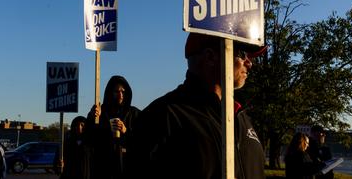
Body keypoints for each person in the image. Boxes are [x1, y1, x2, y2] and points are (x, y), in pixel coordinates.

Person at [125, 33, 267, 179]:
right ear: (210, 57)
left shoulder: (240, 115)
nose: (249, 63)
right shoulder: (162, 116)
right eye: (243, 54)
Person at [87, 75, 140, 179]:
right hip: (104, 169)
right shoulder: (101, 113)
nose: (120, 95)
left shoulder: (135, 114)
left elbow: (144, 139)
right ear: (110, 93)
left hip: (128, 169)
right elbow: (88, 138)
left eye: (123, 92)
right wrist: (92, 118)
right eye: (116, 91)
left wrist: (126, 130)